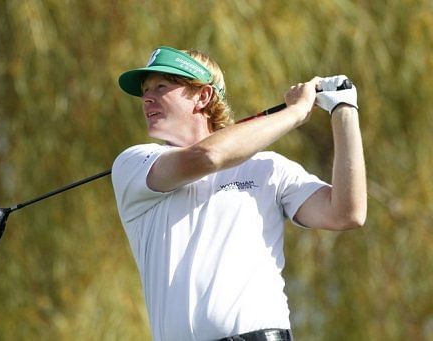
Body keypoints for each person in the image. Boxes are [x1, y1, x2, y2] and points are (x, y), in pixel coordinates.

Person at [111, 46, 366, 341]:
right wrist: (296, 113)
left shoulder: (268, 168)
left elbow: (348, 213)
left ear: (203, 96)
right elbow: (207, 156)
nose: (147, 98)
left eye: (162, 86)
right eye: (145, 90)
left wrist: (343, 110)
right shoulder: (135, 163)